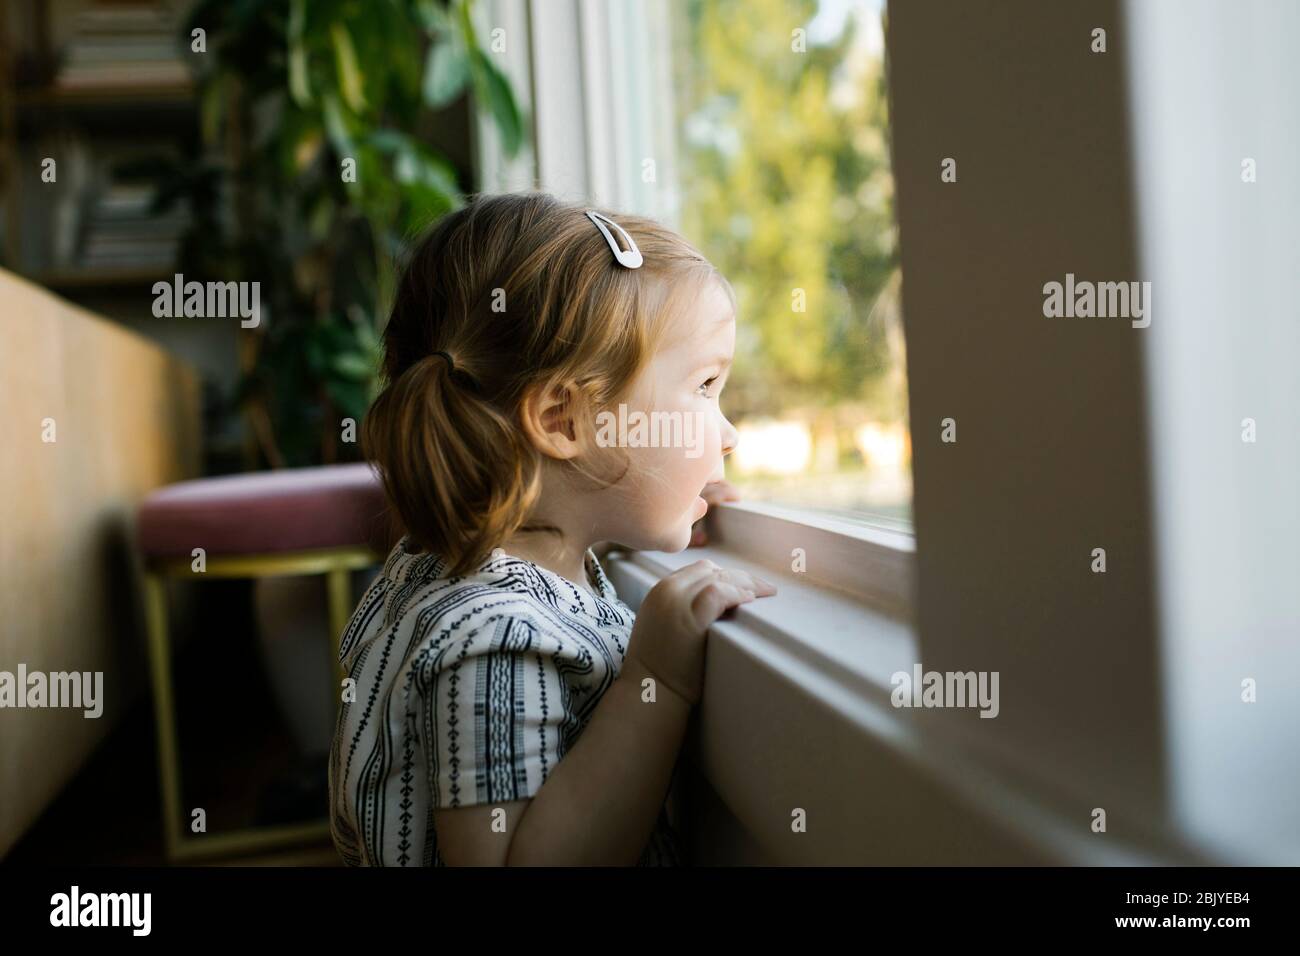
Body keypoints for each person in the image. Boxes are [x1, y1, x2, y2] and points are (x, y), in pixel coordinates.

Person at [328, 192, 777, 866]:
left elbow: (560, 521)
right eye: (706, 387)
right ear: (565, 422)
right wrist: (656, 680)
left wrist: (653, 505)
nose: (729, 432)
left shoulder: (445, 565)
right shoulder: (495, 644)